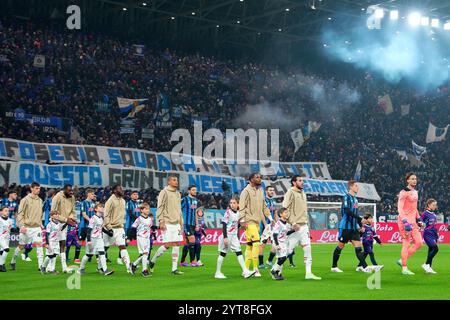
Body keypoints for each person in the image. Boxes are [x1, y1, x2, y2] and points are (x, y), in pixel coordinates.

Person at [283, 175, 321, 280]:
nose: (302, 182)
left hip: (304, 226)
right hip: (294, 226)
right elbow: (284, 209)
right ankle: (276, 269)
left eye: (302, 180)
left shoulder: (303, 193)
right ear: (294, 182)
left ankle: (308, 273)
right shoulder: (290, 192)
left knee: (307, 248)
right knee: (288, 250)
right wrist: (292, 223)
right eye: (300, 181)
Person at [331, 180, 373, 273]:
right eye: (356, 186)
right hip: (345, 227)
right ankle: (334, 266)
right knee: (340, 246)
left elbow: (356, 214)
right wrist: (359, 218)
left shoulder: (356, 199)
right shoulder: (346, 197)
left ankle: (364, 267)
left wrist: (360, 225)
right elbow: (347, 211)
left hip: (354, 228)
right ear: (351, 187)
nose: (357, 187)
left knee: (358, 247)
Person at [238, 172, 273, 277]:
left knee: (249, 246)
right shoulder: (246, 191)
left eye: (260, 177)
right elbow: (242, 206)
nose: (259, 179)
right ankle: (255, 269)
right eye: (257, 177)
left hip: (257, 222)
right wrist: (242, 220)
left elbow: (264, 206)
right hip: (249, 221)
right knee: (256, 244)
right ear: (251, 180)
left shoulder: (261, 191)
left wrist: (270, 218)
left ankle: (245, 270)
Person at [150, 175, 184, 275]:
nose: (176, 182)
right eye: (174, 180)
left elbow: (179, 209)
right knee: (168, 244)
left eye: (177, 180)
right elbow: (160, 207)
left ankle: (174, 269)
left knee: (177, 243)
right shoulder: (164, 192)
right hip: (167, 222)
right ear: (169, 182)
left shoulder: (178, 193)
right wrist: (161, 220)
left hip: (176, 222)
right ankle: (153, 260)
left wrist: (181, 223)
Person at [215, 197, 256, 279]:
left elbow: (237, 225)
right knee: (223, 253)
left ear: (238, 204)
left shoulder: (239, 213)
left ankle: (245, 271)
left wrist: (243, 226)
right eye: (231, 203)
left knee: (239, 252)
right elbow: (224, 224)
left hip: (234, 236)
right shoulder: (228, 212)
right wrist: (225, 237)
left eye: (234, 203)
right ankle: (217, 272)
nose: (232, 205)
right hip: (227, 235)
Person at [10, 182, 44, 271]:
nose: (38, 190)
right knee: (21, 246)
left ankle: (41, 267)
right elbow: (20, 214)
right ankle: (13, 260)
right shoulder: (24, 200)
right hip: (26, 227)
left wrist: (40, 223)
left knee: (39, 245)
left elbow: (40, 214)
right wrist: (22, 226)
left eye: (39, 188)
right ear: (31, 188)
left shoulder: (40, 200)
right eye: (36, 188)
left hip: (36, 228)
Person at [396, 172, 424, 275]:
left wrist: (419, 219)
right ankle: (404, 268)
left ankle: (402, 259)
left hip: (413, 221)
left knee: (419, 243)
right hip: (405, 222)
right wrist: (404, 221)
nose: (414, 180)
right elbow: (400, 208)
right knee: (406, 243)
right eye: (412, 179)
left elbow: (414, 208)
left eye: (415, 179)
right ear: (407, 180)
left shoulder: (415, 192)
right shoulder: (403, 192)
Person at [78, 203, 114, 276]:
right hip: (92, 238)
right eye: (100, 207)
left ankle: (105, 270)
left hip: (99, 238)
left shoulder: (101, 218)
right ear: (96, 209)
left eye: (103, 207)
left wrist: (108, 232)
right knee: (88, 255)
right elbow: (89, 229)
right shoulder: (93, 218)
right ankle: (81, 268)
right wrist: (88, 240)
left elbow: (101, 228)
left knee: (102, 253)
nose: (102, 208)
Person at [103, 185, 132, 273]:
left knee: (122, 246)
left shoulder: (123, 201)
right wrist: (109, 228)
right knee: (104, 248)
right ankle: (100, 266)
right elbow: (106, 215)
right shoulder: (110, 201)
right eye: (120, 189)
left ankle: (129, 267)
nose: (122, 190)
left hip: (120, 228)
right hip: (110, 228)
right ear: (115, 190)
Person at [51, 184, 77, 273]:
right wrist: (66, 220)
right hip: (56, 224)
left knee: (62, 244)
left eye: (72, 190)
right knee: (54, 246)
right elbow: (53, 213)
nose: (71, 192)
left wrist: (71, 218)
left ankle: (64, 267)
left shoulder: (72, 197)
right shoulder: (57, 197)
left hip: (64, 224)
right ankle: (49, 267)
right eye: (69, 191)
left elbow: (73, 210)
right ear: (64, 190)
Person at [270, 208, 294, 280]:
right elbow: (274, 234)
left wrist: (294, 230)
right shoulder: (278, 223)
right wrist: (277, 245)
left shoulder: (285, 224)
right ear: (281, 214)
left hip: (283, 242)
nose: (287, 214)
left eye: (287, 212)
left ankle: (278, 274)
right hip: (278, 241)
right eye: (285, 212)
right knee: (283, 258)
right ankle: (274, 270)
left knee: (281, 258)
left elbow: (286, 233)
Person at [129, 203, 153, 277]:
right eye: (146, 209)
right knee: (145, 253)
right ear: (141, 210)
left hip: (147, 238)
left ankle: (133, 265)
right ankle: (144, 270)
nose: (147, 210)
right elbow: (133, 227)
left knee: (145, 254)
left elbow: (150, 228)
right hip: (141, 237)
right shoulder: (139, 219)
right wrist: (130, 237)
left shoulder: (149, 219)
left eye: (148, 209)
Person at [180, 185, 199, 267]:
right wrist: (181, 222)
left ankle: (182, 261)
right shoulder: (184, 199)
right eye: (193, 190)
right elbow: (179, 210)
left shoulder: (195, 200)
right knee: (192, 240)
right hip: (186, 223)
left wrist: (197, 224)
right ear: (189, 191)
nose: (195, 191)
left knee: (188, 243)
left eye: (195, 190)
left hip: (193, 224)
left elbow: (195, 213)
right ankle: (192, 261)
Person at [259, 185, 278, 269]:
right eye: (270, 190)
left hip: (272, 226)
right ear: (266, 191)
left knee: (275, 244)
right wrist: (265, 224)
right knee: (262, 245)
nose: (272, 192)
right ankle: (260, 264)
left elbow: (276, 213)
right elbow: (261, 213)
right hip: (264, 226)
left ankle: (269, 261)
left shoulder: (273, 201)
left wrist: (277, 223)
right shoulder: (263, 201)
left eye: (273, 190)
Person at [123, 191, 141, 265]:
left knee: (140, 240)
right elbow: (130, 213)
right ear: (131, 196)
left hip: (138, 226)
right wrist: (139, 220)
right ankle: (120, 257)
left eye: (137, 194)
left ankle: (142, 257)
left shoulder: (138, 204)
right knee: (126, 242)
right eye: (134, 194)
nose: (136, 195)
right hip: (129, 225)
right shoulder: (129, 203)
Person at [421, 199, 439, 274]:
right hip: (427, 234)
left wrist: (436, 235)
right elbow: (420, 220)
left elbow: (434, 225)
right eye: (433, 205)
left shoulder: (434, 214)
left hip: (433, 234)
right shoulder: (425, 213)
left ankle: (429, 267)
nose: (435, 206)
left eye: (435, 205)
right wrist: (421, 224)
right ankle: (426, 264)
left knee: (431, 250)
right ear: (428, 205)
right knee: (435, 248)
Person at [0, 206, 14, 272]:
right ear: (1, 211)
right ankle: (1, 265)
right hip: (1, 237)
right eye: (5, 210)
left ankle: (1, 264)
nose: (7, 212)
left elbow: (10, 229)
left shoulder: (10, 220)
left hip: (7, 238)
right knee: (6, 249)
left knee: (2, 251)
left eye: (8, 211)